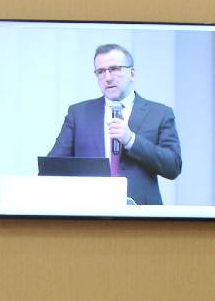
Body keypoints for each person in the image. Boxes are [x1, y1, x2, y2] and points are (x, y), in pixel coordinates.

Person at [47, 44, 182, 205]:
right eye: (100, 71)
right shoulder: (78, 113)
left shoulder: (159, 113)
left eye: (114, 69)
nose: (108, 78)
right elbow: (52, 167)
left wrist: (131, 140)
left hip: (142, 212)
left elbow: (173, 166)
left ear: (132, 73)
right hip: (89, 210)